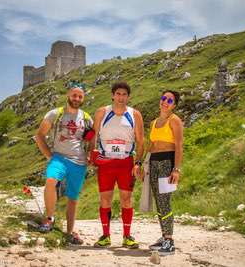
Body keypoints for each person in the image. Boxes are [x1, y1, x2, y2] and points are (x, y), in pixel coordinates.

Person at [34, 82, 94, 245]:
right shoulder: (55, 114)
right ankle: (49, 219)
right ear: (68, 95)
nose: (77, 98)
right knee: (51, 181)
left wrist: (90, 155)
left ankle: (70, 232)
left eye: (80, 96)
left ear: (83, 98)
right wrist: (49, 156)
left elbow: (92, 139)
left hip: (79, 162)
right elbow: (39, 135)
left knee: (73, 197)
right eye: (74, 95)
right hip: (59, 157)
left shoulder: (87, 118)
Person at [91, 81, 144, 249]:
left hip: (126, 162)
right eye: (118, 94)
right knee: (105, 198)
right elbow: (93, 135)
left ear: (128, 97)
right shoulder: (102, 112)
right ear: (113, 95)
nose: (121, 97)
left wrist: (138, 163)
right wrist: (92, 152)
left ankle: (127, 236)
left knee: (126, 199)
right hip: (106, 162)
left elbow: (141, 141)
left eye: (124, 94)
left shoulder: (134, 114)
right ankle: (105, 236)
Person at [147, 90, 183, 255]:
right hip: (154, 162)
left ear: (174, 105)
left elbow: (179, 146)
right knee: (158, 201)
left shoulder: (174, 120)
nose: (165, 102)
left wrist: (176, 169)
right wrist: (141, 163)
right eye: (163, 98)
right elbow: (151, 145)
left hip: (167, 163)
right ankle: (163, 236)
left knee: (165, 202)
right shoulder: (154, 122)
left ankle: (169, 241)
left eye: (170, 100)